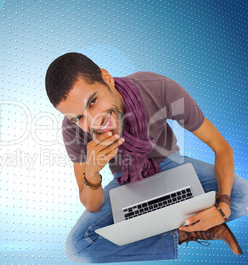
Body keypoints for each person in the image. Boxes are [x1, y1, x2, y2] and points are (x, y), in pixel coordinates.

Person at [44, 52, 248, 263]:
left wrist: (222, 209)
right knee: (78, 247)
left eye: (93, 101)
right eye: (78, 117)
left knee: (243, 195)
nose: (93, 121)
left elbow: (221, 147)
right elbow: (91, 204)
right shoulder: (72, 129)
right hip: (126, 183)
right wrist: (93, 172)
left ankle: (159, 223)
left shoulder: (157, 88)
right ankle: (186, 231)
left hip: (171, 165)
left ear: (106, 78)